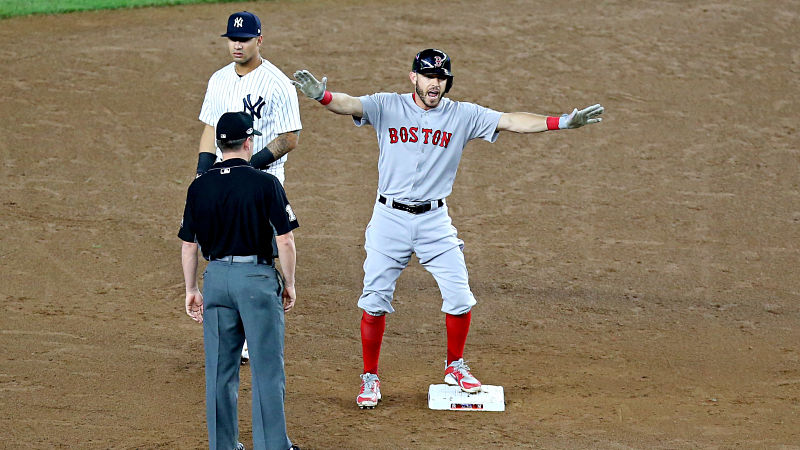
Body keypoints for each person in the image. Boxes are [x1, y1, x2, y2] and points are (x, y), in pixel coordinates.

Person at [291, 49, 604, 409]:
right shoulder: (387, 105)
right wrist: (321, 96)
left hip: (434, 221)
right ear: (414, 78)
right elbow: (350, 104)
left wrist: (561, 122)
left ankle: (454, 364)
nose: (434, 84)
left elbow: (511, 120)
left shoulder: (462, 115)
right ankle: (370, 376)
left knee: (459, 296)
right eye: (428, 76)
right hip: (389, 219)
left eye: (440, 78)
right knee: (374, 301)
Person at [180, 111, 300, 449]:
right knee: (266, 370)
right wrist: (289, 283)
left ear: (219, 145)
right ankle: (272, 445)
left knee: (219, 373)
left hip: (216, 279)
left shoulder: (199, 185)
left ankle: (223, 445)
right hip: (256, 280)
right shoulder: (265, 183)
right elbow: (285, 240)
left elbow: (189, 245)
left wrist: (192, 289)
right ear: (249, 142)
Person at [196, 10, 302, 363]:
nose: (237, 45)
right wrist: (202, 171)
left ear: (260, 39)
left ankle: (252, 331)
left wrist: (247, 167)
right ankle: (230, 326)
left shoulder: (278, 84)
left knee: (259, 254)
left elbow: (290, 137)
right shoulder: (219, 80)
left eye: (243, 39)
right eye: (232, 39)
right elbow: (210, 129)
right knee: (225, 250)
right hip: (222, 180)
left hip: (264, 181)